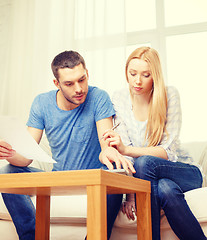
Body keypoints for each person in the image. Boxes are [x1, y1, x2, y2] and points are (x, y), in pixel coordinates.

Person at [0, 50, 135, 240]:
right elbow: (26, 156)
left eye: (82, 79)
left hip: (94, 179)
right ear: (57, 83)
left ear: (87, 73)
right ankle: (32, 236)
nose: (78, 89)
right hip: (60, 178)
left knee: (113, 176)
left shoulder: (99, 97)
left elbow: (106, 145)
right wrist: (8, 152)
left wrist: (108, 151)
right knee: (7, 172)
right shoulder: (41, 103)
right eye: (69, 84)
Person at [102, 46, 207, 240]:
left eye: (145, 75)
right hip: (150, 177)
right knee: (165, 189)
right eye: (132, 73)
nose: (137, 81)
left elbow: (168, 151)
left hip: (184, 171)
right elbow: (124, 156)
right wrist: (131, 194)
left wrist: (126, 149)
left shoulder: (169, 95)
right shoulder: (120, 98)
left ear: (155, 75)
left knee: (145, 161)